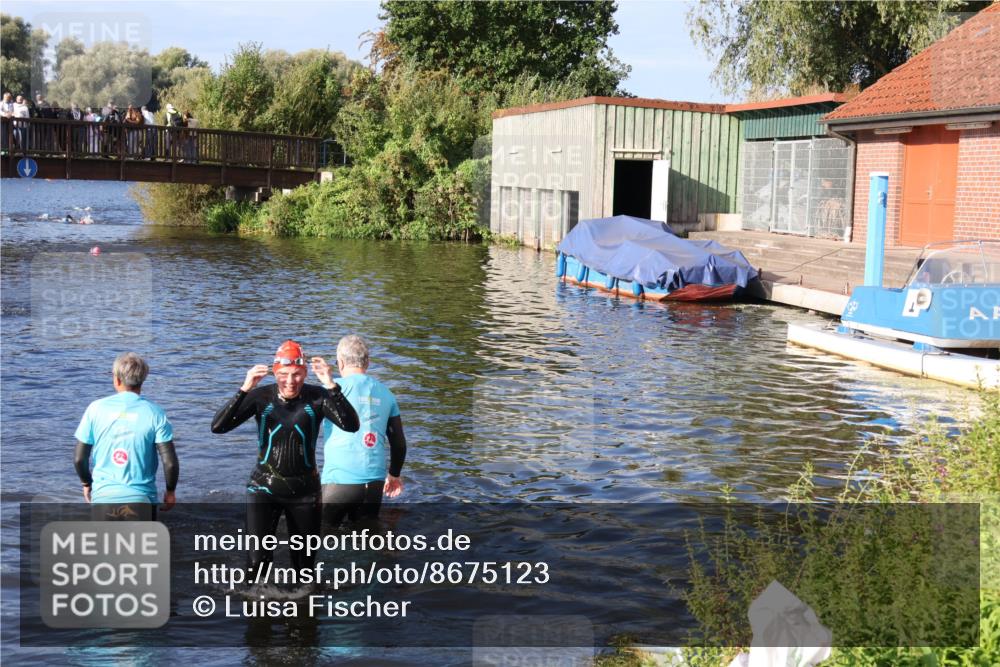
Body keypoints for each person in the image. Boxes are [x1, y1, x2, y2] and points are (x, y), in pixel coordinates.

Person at [211, 340, 360, 573]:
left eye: (296, 375)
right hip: (263, 488)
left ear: (305, 372)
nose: (290, 381)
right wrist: (244, 389)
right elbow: (218, 427)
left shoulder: (318, 397)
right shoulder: (261, 397)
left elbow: (351, 425)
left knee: (305, 571)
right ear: (274, 371)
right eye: (283, 374)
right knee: (256, 567)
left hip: (305, 492)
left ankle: (302, 606)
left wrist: (331, 385)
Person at [74, 352, 179, 521]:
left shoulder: (95, 409)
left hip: (103, 498)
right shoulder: (155, 413)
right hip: (142, 499)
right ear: (142, 381)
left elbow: (80, 459)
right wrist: (171, 492)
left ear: (116, 380)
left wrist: (86, 483)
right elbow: (170, 462)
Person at [317, 335, 407, 532]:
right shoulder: (387, 393)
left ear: (339, 362)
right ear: (368, 362)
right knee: (366, 543)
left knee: (318, 540)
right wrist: (394, 475)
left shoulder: (330, 391)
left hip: (338, 482)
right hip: (373, 483)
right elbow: (399, 443)